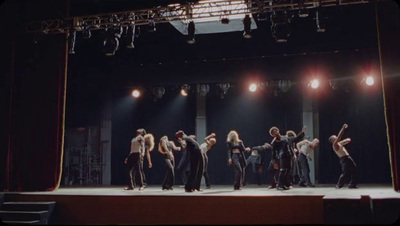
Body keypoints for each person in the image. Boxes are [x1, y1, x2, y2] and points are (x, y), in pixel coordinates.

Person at [270, 126, 306, 190]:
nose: (275, 132)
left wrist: (302, 132)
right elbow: (273, 152)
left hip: (289, 155)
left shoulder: (285, 137)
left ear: (278, 131)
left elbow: (295, 139)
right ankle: (279, 185)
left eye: (276, 130)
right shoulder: (275, 142)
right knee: (283, 170)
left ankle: (283, 184)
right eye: (274, 132)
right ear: (272, 135)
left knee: (288, 170)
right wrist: (274, 161)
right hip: (282, 156)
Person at [329, 123, 358, 189]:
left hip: (347, 157)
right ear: (332, 140)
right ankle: (339, 185)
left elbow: (348, 140)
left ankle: (352, 184)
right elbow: (339, 136)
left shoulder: (339, 143)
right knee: (345, 173)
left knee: (354, 169)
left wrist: (344, 141)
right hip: (344, 159)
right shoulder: (334, 145)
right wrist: (343, 128)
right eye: (334, 137)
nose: (336, 137)